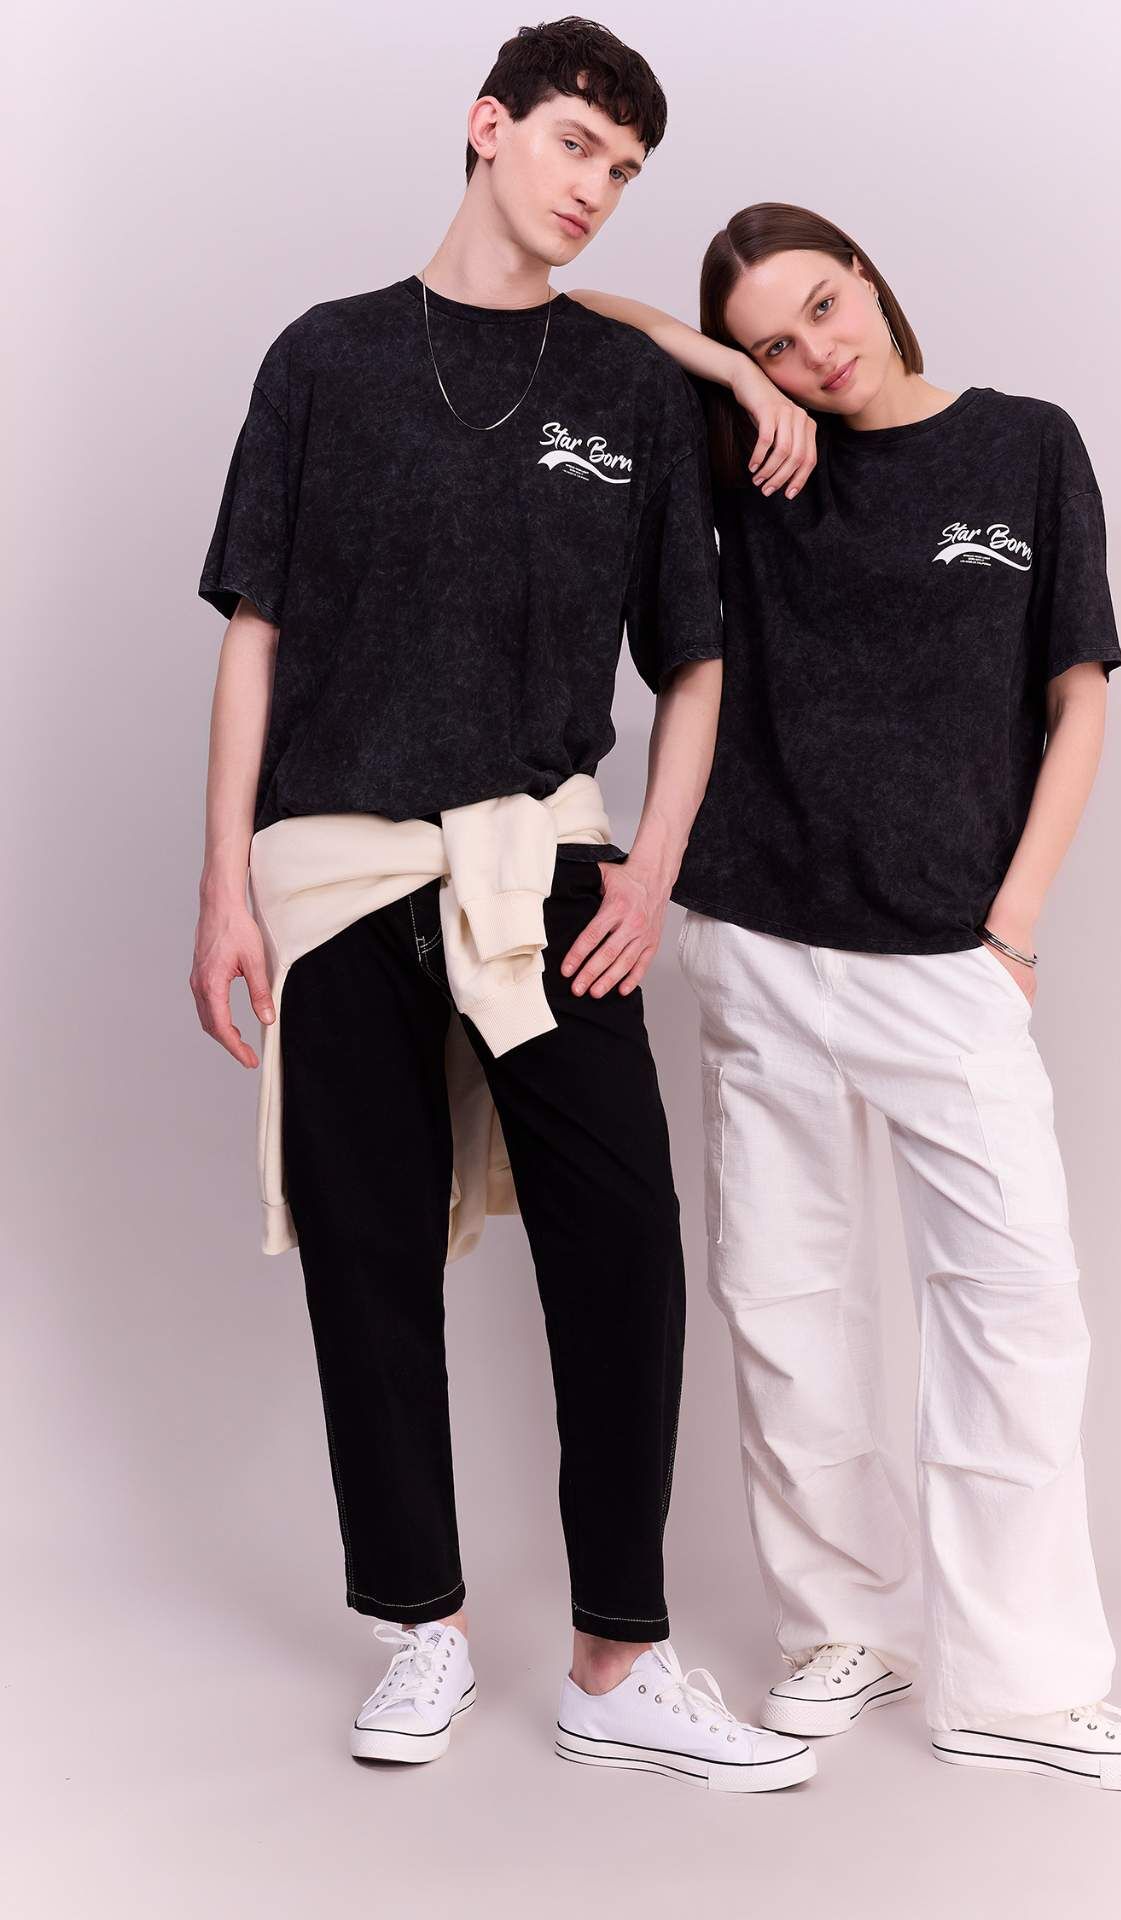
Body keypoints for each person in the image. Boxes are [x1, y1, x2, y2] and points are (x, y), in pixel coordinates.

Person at [189, 23, 815, 1793]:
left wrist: (655, 868)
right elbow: (256, 633)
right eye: (573, 145)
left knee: (622, 1245)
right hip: (335, 869)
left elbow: (693, 663)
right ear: (488, 128)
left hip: (546, 869)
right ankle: (424, 1626)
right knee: (367, 1256)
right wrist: (222, 881)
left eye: (626, 170)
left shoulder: (629, 392)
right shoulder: (324, 358)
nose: (597, 188)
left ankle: (619, 1659)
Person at [569, 201, 1121, 1791]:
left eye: (824, 309)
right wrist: (729, 376)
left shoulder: (1025, 446)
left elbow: (1077, 697)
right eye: (776, 341)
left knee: (1016, 1306)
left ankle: (1019, 1682)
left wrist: (1016, 924)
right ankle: (842, 1626)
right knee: (786, 1301)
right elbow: (566, 310)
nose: (815, 354)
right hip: (761, 939)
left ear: (872, 280)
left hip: (948, 958)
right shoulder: (755, 457)